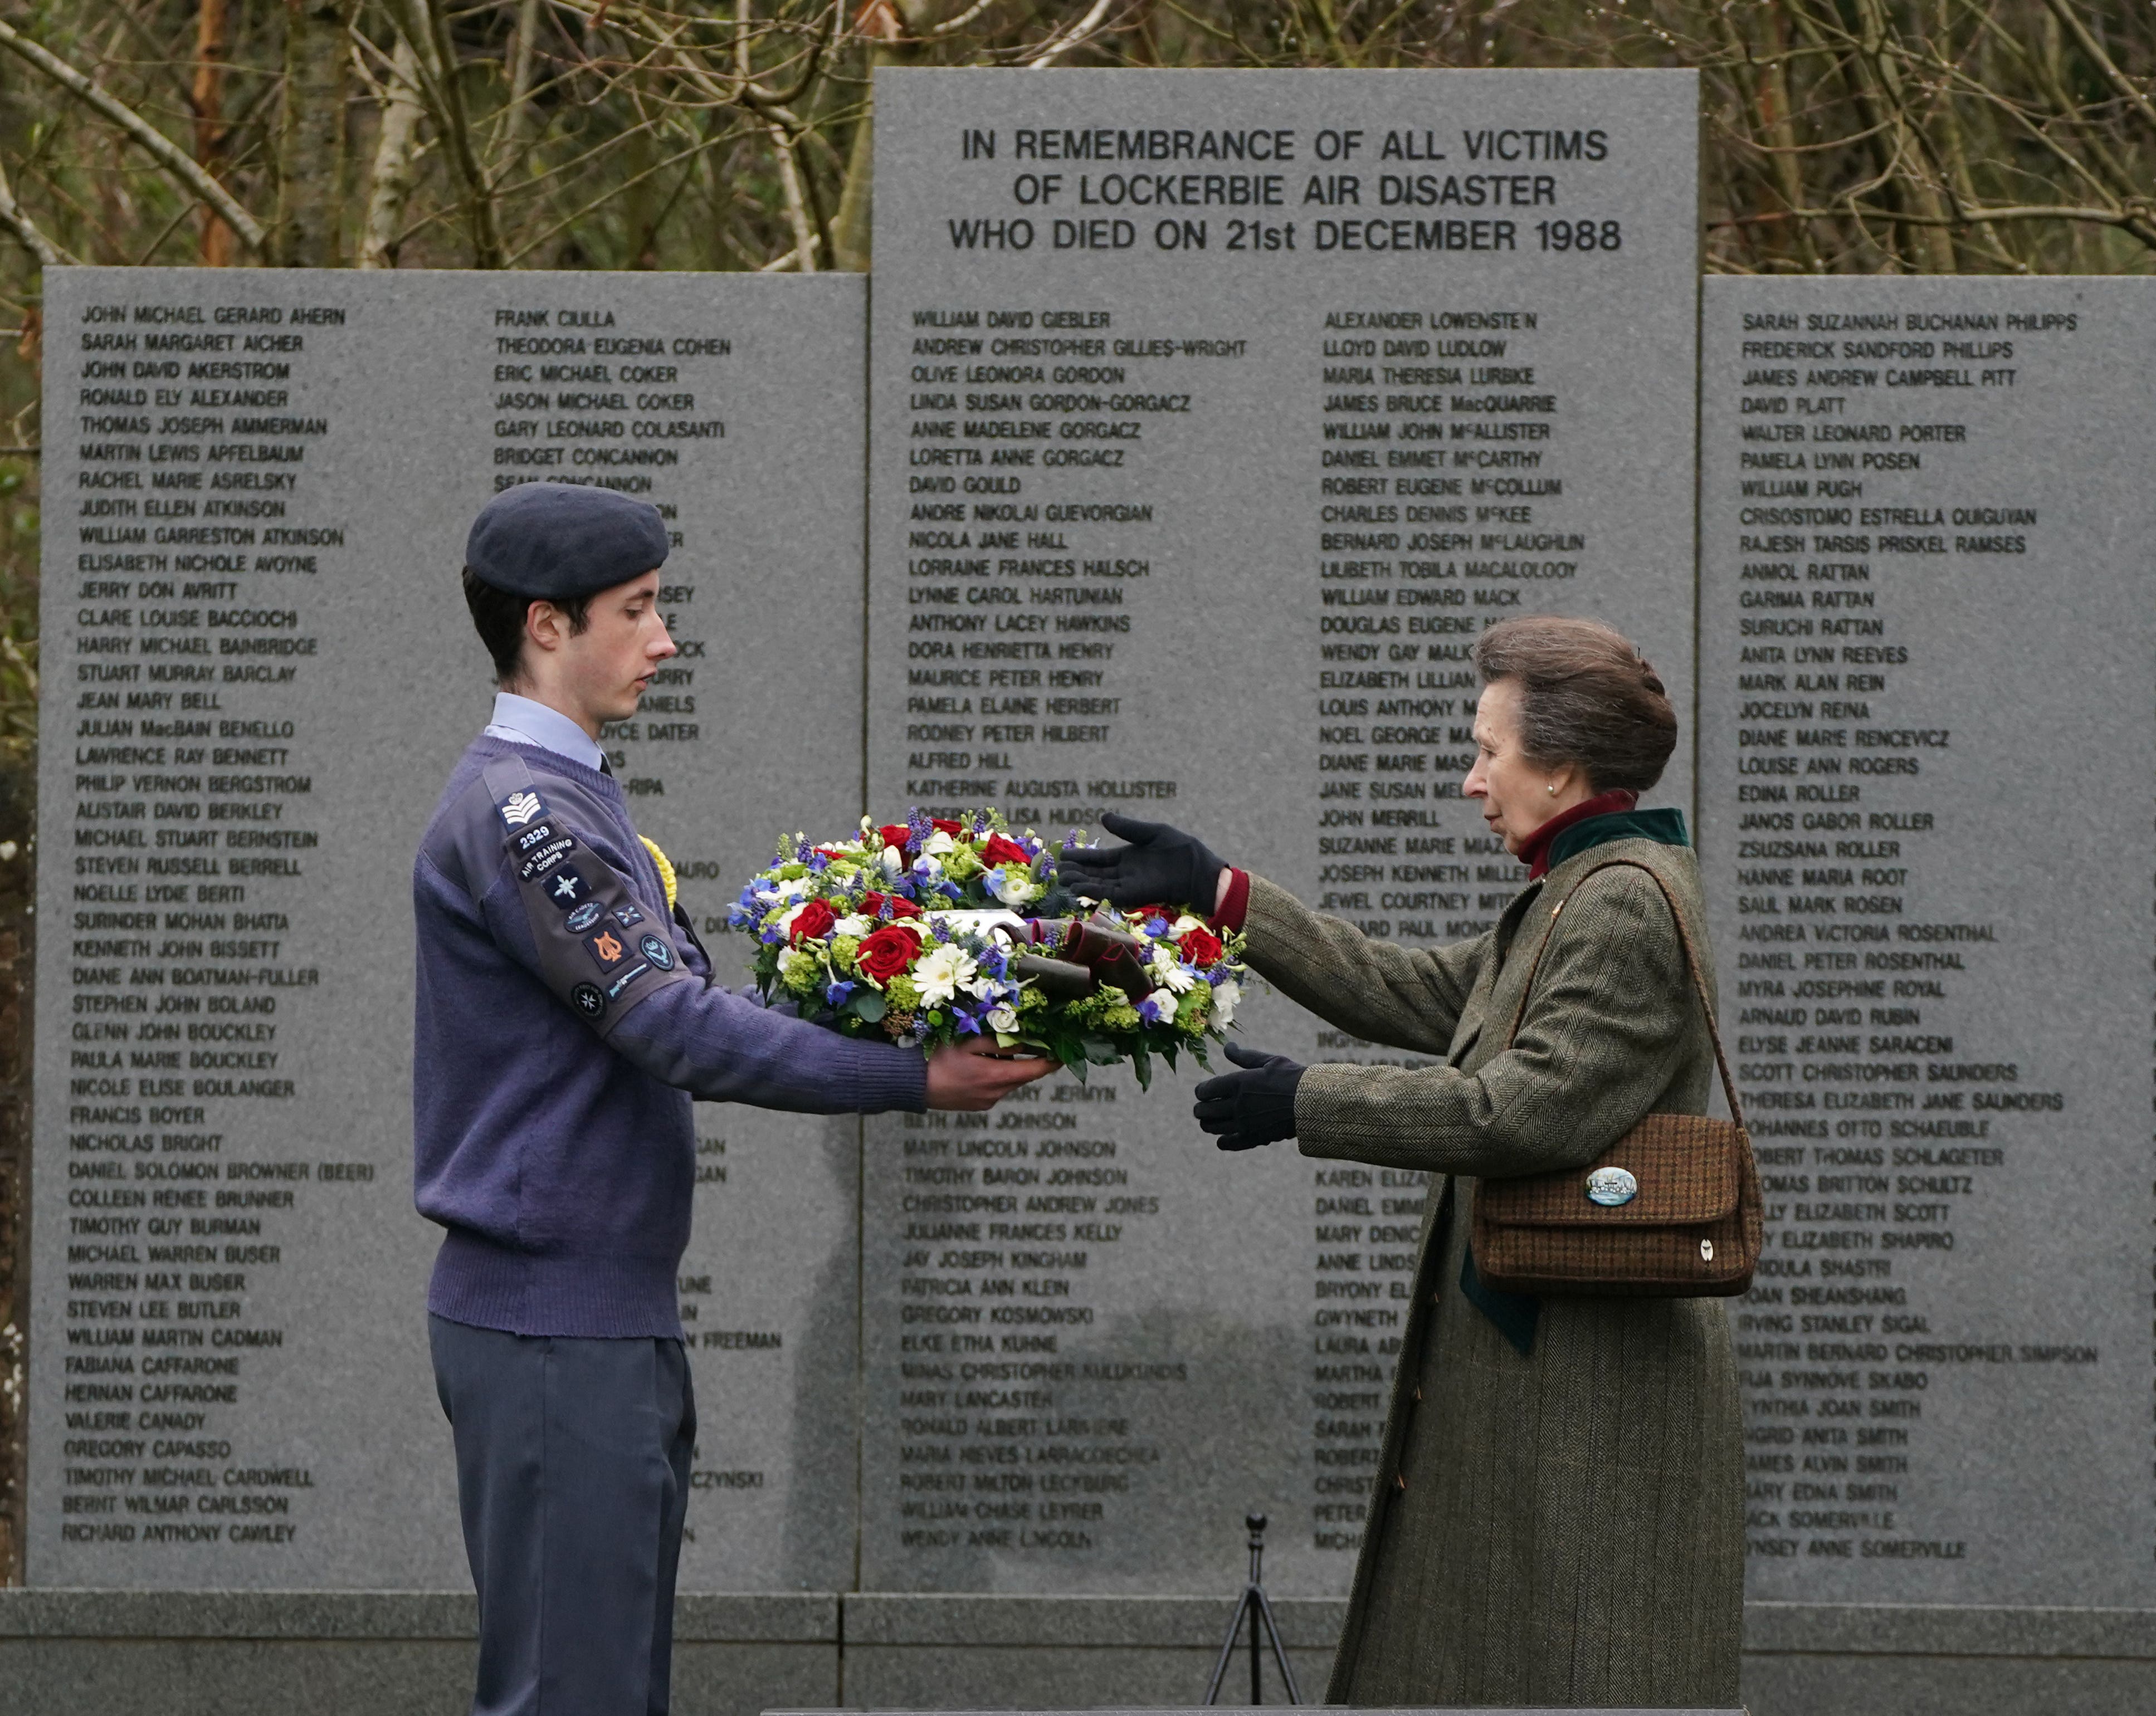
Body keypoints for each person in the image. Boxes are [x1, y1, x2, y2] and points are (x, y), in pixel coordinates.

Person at [411, 482, 1053, 1716]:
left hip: (598, 1319)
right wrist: (915, 1075)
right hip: (554, 1328)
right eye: (638, 609)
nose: (664, 639)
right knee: (572, 1695)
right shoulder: (524, 811)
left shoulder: (569, 791)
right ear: (548, 625)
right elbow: (668, 1022)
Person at [1059, 614, 1743, 1707]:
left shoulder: (1618, 900)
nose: (1473, 779)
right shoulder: (1576, 887)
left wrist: (1307, 1102)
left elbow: (1525, 1112)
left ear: (1561, 764)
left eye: (1488, 750)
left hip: (1587, 1394)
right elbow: (1410, 987)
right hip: (1545, 1365)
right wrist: (1219, 891)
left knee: (1582, 1677)